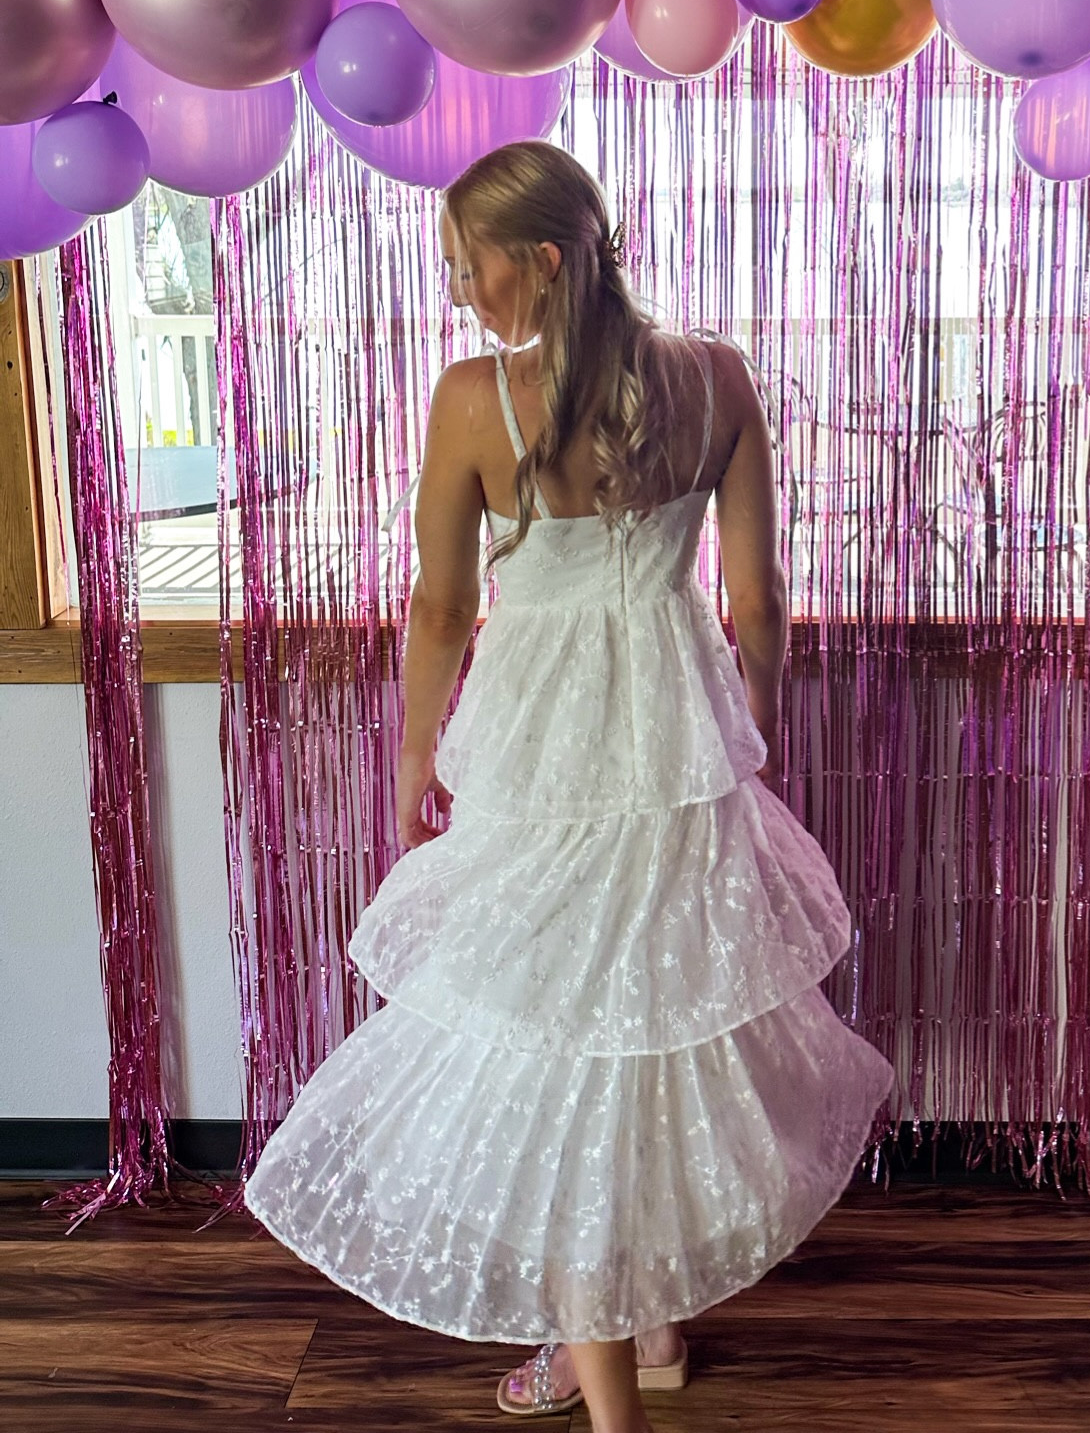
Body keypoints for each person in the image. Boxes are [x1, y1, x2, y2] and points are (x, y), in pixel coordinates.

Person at [242, 140, 893, 1433]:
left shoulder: (477, 402)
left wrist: (420, 751)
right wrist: (747, 726)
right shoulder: (716, 379)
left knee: (560, 1047)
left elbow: (439, 604)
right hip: (671, 726)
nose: (461, 294)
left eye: (471, 268)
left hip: (542, 742)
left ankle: (607, 1406)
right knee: (647, 1016)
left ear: (542, 259)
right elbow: (756, 600)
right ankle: (652, 1324)